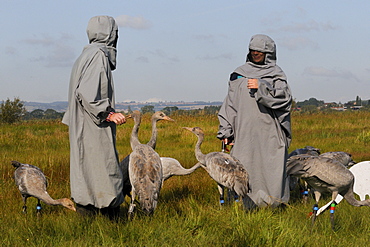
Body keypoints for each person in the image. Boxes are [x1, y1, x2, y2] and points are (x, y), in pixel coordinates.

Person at [217, 34, 292, 209]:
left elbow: (285, 100)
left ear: (269, 53)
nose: (255, 54)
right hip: (244, 132)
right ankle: (244, 206)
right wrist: (226, 130)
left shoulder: (276, 74)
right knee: (244, 167)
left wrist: (262, 87)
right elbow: (230, 104)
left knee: (271, 169)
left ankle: (273, 205)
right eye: (253, 51)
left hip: (270, 132)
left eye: (260, 51)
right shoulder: (239, 74)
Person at [62, 16, 126, 217]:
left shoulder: (84, 56)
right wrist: (108, 114)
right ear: (110, 34)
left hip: (82, 125)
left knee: (86, 170)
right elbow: (87, 93)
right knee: (104, 168)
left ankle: (87, 219)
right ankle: (111, 221)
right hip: (93, 126)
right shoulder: (98, 55)